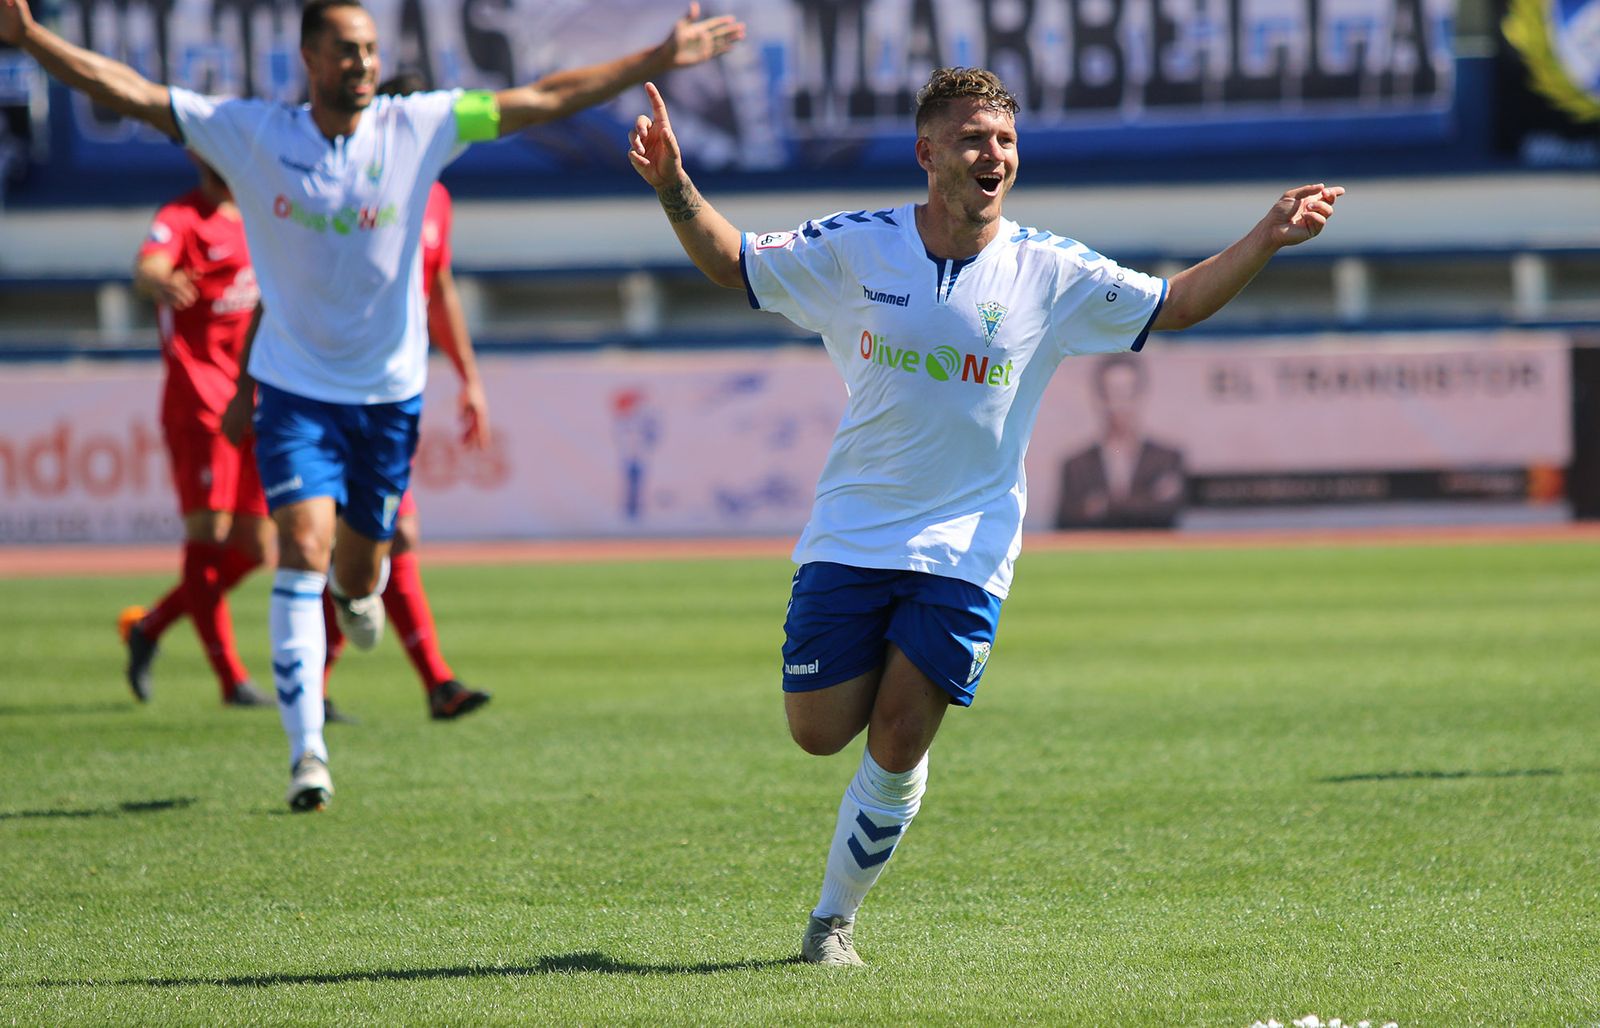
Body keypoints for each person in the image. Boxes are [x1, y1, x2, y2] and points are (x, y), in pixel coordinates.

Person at [628, 67, 1344, 966]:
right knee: (817, 732)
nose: (992, 155)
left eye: (1004, 140)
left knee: (896, 732)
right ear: (928, 154)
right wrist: (672, 186)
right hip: (855, 528)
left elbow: (1178, 302)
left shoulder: (1051, 271)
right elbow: (734, 261)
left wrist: (1268, 237)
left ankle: (831, 924)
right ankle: (882, 778)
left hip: (969, 545)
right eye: (973, 140)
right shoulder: (859, 247)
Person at [1, 0, 746, 812]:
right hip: (293, 391)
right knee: (302, 547)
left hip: (388, 398)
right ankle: (306, 755)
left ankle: (362, 595)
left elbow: (543, 96)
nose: (360, 62)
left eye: (368, 49)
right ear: (309, 58)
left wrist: (653, 57)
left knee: (358, 572)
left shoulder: (418, 125)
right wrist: (34, 40)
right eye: (344, 50)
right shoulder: (253, 134)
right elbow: (134, 91)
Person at [317, 69, 492, 724]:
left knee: (380, 539)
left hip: (390, 394)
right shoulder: (346, 185)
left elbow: (439, 287)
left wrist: (469, 378)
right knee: (349, 541)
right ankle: (423, 682)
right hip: (330, 390)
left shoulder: (437, 198)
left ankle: (330, 682)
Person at [116, 153, 272, 710]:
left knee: (255, 548)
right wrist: (160, 280)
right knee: (208, 534)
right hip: (199, 402)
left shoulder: (259, 214)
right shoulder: (182, 216)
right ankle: (231, 680)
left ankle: (151, 626)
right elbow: (148, 265)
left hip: (253, 399)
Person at [1054, 352, 1186, 530]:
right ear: (1100, 399)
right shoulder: (1076, 465)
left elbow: (1169, 510)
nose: (1119, 404)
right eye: (1112, 394)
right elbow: (1067, 518)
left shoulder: (1166, 458)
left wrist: (1103, 505)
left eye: (1127, 394)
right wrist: (1147, 498)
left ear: (1140, 395)